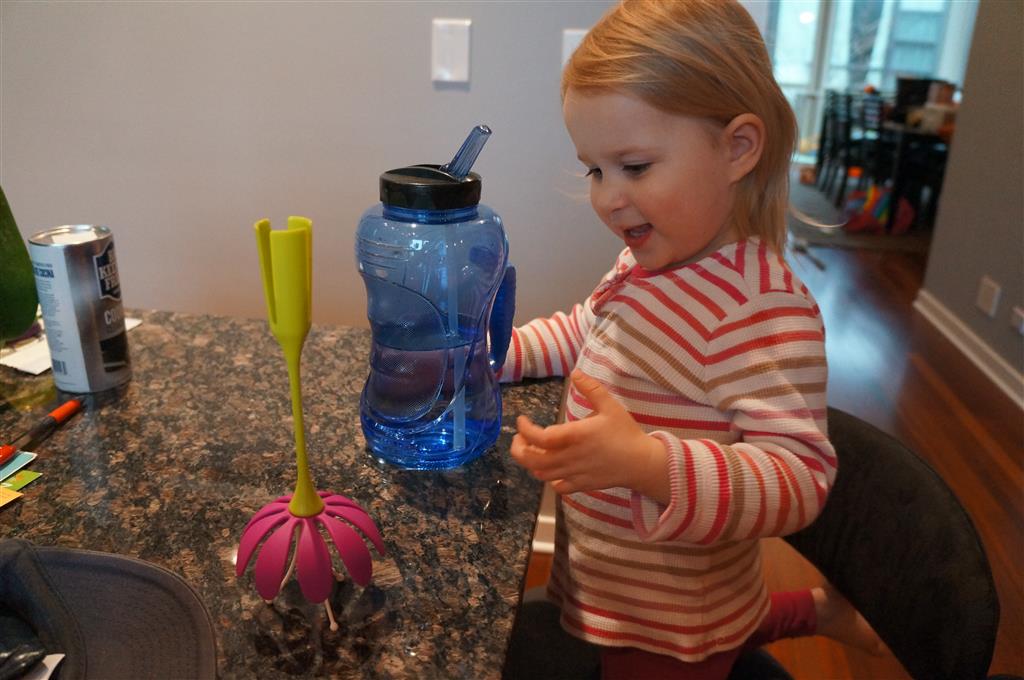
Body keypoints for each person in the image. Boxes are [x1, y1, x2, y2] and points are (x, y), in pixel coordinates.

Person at [500, 1, 882, 678]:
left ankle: (785, 619)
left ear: (737, 148)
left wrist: (648, 465)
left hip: (670, 620)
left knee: (700, 644)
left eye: (635, 166)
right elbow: (590, 328)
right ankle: (810, 611)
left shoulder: (758, 309)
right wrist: (504, 353)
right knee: (717, 627)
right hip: (624, 583)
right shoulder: (650, 261)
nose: (607, 198)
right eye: (595, 170)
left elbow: (799, 478)